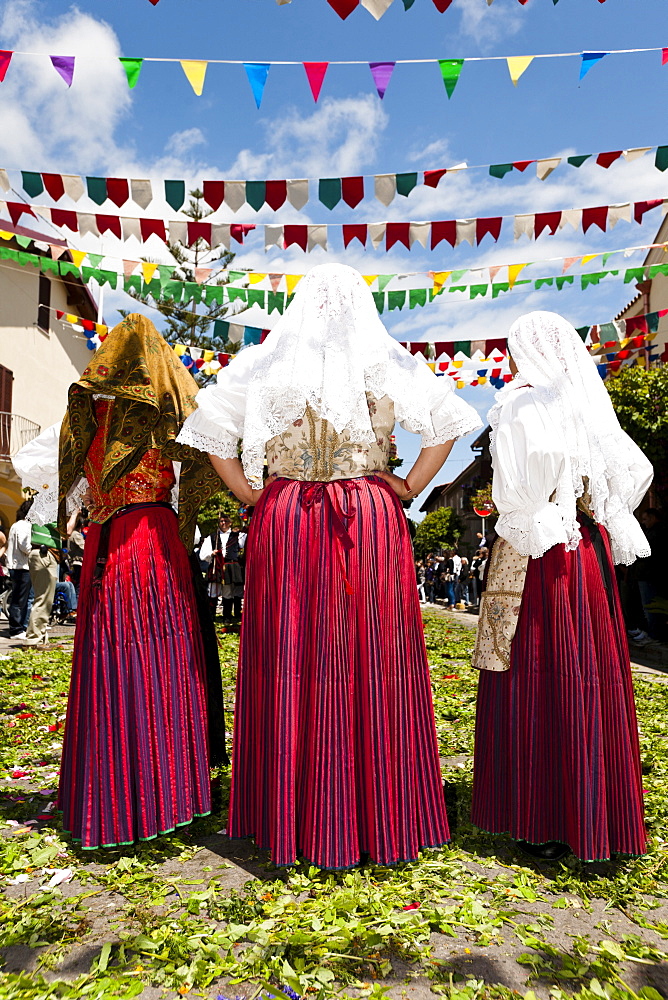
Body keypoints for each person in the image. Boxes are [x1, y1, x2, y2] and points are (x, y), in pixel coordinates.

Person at [177, 263, 482, 869]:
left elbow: (211, 429)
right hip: (368, 511)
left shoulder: (264, 364)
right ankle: (378, 809)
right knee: (373, 650)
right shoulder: (386, 361)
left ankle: (289, 811)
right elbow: (449, 423)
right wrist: (408, 485)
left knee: (291, 650)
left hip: (286, 512)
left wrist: (247, 493)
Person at [13, 314, 225, 850]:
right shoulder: (167, 413)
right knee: (159, 658)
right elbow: (206, 460)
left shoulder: (82, 412)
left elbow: (55, 478)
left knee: (109, 661)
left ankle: (105, 794)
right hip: (151, 539)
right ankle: (168, 793)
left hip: (104, 543)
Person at [471, 310, 652, 863]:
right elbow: (632, 475)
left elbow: (515, 495)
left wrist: (526, 518)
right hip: (587, 554)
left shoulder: (521, 404)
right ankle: (596, 810)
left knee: (538, 671)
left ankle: (540, 814)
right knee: (588, 673)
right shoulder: (589, 408)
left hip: (540, 556)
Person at [199, 513, 247, 624]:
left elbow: (244, 544)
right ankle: (211, 616)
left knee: (228, 592)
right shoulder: (212, 537)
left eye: (226, 521)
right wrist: (212, 553)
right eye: (221, 521)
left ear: (230, 522)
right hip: (217, 566)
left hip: (230, 567)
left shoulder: (238, 536)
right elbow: (203, 554)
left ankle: (227, 617)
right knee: (213, 591)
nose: (223, 523)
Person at [24, 520, 61, 647]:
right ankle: (34, 640)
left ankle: (41, 637)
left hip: (41, 554)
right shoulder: (48, 509)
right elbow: (66, 530)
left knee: (43, 598)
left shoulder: (41, 508)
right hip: (44, 555)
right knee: (43, 599)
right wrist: (75, 514)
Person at [5, 499, 34, 639]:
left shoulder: (19, 524)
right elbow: (25, 547)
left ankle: (22, 626)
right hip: (21, 566)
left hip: (21, 566)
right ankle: (16, 629)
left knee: (25, 598)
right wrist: (37, 549)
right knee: (19, 599)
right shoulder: (23, 526)